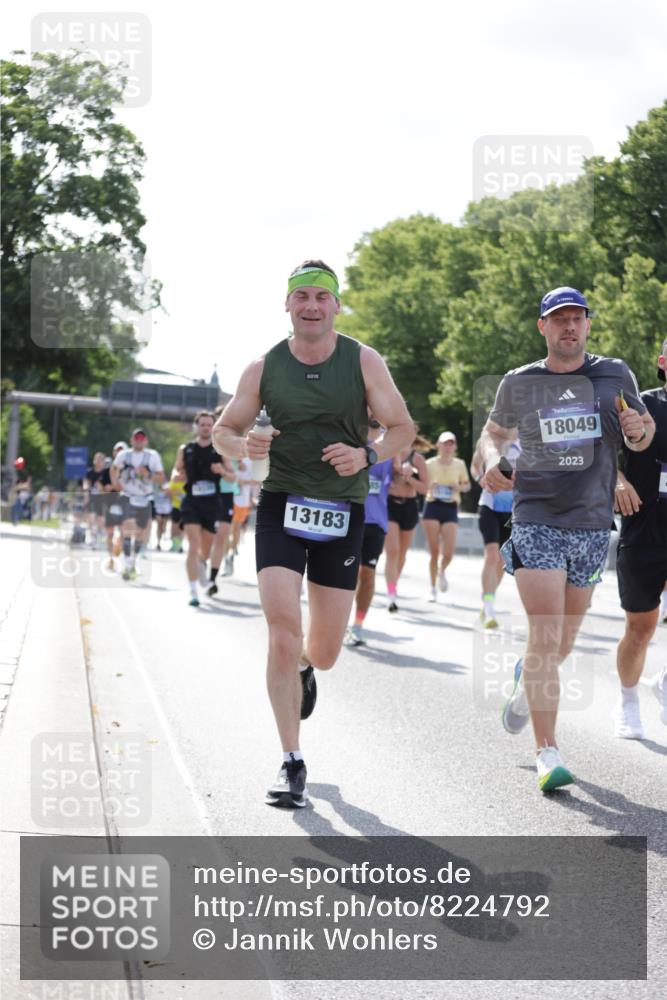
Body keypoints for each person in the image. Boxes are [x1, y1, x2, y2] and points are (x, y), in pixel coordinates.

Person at [212, 259, 413, 808]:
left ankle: (305, 667)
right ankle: (291, 760)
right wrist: (244, 446)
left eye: (321, 297)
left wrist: (366, 454)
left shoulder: (363, 361)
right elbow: (226, 432)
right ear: (287, 305)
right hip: (281, 505)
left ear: (336, 306)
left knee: (322, 650)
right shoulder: (263, 368)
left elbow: (404, 428)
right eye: (301, 296)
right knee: (280, 629)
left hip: (341, 512)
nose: (311, 306)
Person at [479, 286, 654, 793]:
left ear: (588, 325)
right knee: (547, 634)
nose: (569, 327)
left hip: (592, 522)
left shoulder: (614, 374)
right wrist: (492, 461)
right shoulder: (520, 382)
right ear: (543, 327)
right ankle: (547, 752)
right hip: (536, 516)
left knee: (563, 642)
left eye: (577, 318)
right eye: (559, 319)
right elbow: (493, 434)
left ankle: (524, 681)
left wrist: (637, 429)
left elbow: (640, 436)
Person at [611, 338, 667, 738]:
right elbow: (599, 451)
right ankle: (628, 701)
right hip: (644, 528)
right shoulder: (639, 405)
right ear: (663, 362)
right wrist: (615, 480)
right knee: (641, 628)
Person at [173, 411, 231, 605]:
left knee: (205, 551)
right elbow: (177, 468)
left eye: (209, 425)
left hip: (212, 504)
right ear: (196, 426)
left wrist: (222, 471)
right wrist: (177, 476)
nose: (206, 427)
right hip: (191, 502)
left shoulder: (220, 450)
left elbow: (233, 477)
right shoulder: (186, 448)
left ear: (213, 427)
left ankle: (201, 566)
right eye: (203, 424)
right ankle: (192, 592)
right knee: (193, 545)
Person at [347, 416, 394, 645]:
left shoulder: (387, 452)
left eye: (378, 424)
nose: (374, 427)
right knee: (347, 575)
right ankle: (337, 620)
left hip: (375, 523)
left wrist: (407, 473)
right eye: (371, 422)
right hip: (348, 519)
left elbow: (402, 479)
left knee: (367, 575)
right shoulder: (350, 444)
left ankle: (357, 624)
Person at [471, 435, 521, 627]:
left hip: (512, 511)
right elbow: (475, 465)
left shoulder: (528, 443)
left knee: (502, 560)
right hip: (489, 506)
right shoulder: (490, 441)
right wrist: (480, 478)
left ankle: (489, 599)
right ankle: (489, 606)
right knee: (491, 555)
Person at [422, 431, 471, 601]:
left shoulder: (460, 464)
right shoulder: (429, 464)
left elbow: (467, 486)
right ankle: (431, 587)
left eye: (451, 443)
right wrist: (430, 485)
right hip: (433, 505)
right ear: (438, 445)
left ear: (455, 446)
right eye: (445, 443)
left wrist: (459, 487)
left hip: (450, 507)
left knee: (449, 552)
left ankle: (442, 571)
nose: (448, 447)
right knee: (434, 552)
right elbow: (422, 485)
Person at [384, 430, 429, 612]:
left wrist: (410, 478)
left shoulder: (418, 460)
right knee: (392, 552)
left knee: (402, 554)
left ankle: (394, 585)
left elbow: (425, 489)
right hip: (389, 505)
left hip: (409, 506)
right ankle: (391, 595)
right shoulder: (388, 453)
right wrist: (394, 474)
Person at [111, 429, 164, 581]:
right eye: (136, 438)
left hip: (145, 498)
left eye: (141, 439)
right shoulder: (124, 455)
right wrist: (116, 483)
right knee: (127, 529)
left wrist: (147, 474)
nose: (138, 441)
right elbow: (114, 469)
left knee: (141, 533)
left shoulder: (152, 456)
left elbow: (161, 478)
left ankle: (133, 561)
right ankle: (127, 563)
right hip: (128, 496)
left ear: (145, 441)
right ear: (131, 440)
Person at [224, 456, 255, 576]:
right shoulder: (231, 461)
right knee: (230, 529)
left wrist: (244, 482)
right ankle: (226, 557)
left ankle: (231, 553)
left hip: (244, 503)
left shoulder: (250, 461)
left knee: (236, 530)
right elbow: (227, 478)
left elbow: (255, 480)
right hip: (232, 501)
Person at [83, 452, 107, 548]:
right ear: (94, 461)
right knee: (91, 518)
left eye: (101, 460)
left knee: (100, 520)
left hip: (102, 498)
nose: (99, 462)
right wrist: (86, 489)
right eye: (97, 459)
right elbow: (86, 483)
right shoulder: (90, 472)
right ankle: (93, 538)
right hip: (92, 497)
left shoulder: (106, 473)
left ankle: (101, 537)